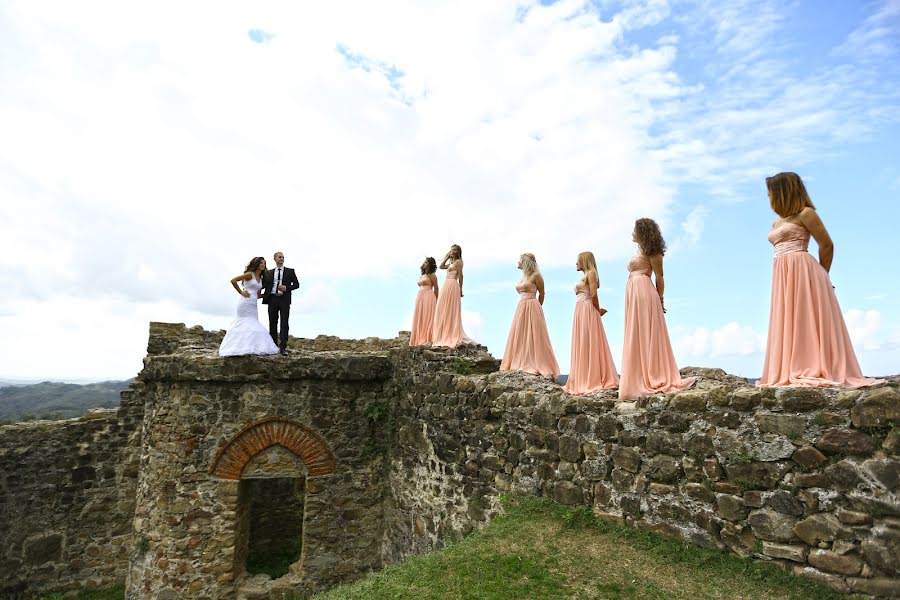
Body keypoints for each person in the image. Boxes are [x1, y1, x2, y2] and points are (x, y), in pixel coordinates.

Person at [758, 172, 884, 387]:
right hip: (782, 274)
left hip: (803, 270)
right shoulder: (777, 222)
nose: (769, 198)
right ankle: (789, 367)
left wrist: (822, 277)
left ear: (782, 192)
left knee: (804, 318)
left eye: (771, 193)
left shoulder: (806, 214)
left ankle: (812, 366)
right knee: (789, 317)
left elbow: (826, 244)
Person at [619, 218, 695, 401]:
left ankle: (652, 374)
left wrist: (660, 300)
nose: (631, 233)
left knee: (646, 331)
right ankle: (637, 376)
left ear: (642, 232)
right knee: (635, 333)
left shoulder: (654, 251)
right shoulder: (639, 251)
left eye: (634, 230)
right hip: (633, 294)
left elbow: (660, 277)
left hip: (645, 293)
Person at [563, 251, 619, 394]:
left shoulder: (591, 273)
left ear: (584, 260)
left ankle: (592, 378)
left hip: (587, 309)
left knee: (589, 341)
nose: (576, 263)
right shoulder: (586, 275)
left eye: (578, 260)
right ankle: (582, 378)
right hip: (580, 310)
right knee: (582, 341)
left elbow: (593, 294)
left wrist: (597, 310)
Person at [500, 253, 560, 379]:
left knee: (535, 335)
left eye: (520, 260)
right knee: (519, 333)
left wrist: (537, 307)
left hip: (532, 305)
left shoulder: (536, 276)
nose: (518, 262)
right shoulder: (523, 277)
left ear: (525, 262)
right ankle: (518, 360)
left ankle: (536, 362)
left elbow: (542, 293)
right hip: (521, 306)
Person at [218, 257, 280, 357]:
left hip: (253, 304)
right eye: (261, 263)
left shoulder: (260, 278)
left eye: (264, 263)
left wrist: (270, 294)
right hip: (244, 302)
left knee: (253, 323)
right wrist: (241, 292)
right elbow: (233, 280)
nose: (263, 265)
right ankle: (237, 347)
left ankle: (253, 346)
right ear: (256, 264)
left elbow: (258, 295)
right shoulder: (249, 274)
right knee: (244, 322)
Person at [432, 244, 477, 348]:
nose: (453, 251)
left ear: (458, 251)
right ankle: (442, 334)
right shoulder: (452, 263)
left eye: (455, 250)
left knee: (450, 309)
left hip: (453, 284)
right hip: (446, 284)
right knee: (442, 308)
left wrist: (461, 288)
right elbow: (441, 266)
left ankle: (451, 333)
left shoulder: (459, 262)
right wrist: (447, 257)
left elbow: (461, 276)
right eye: (452, 250)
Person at [261, 251, 301, 355]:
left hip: (284, 299)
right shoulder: (269, 272)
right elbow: (263, 285)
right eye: (279, 257)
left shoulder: (290, 271)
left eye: (283, 257)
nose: (282, 258)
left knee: (284, 323)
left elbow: (297, 284)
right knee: (272, 323)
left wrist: (286, 288)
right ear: (275, 259)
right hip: (272, 299)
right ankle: (273, 346)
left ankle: (283, 347)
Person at [410, 257, 439, 346]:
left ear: (430, 264)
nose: (424, 263)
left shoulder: (432, 275)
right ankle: (418, 338)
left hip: (428, 296)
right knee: (420, 316)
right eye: (424, 262)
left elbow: (436, 288)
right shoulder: (422, 275)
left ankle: (428, 337)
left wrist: (436, 300)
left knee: (428, 316)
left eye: (426, 262)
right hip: (420, 296)